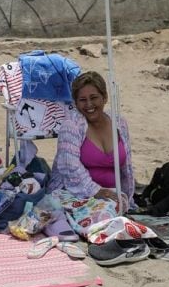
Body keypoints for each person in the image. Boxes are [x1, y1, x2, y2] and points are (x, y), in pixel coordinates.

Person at [50, 71, 135, 211]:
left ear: (105, 97)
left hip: (114, 198)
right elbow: (69, 166)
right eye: (82, 100)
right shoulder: (71, 126)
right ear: (76, 103)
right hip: (75, 197)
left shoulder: (119, 123)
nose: (89, 105)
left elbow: (127, 169)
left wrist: (126, 197)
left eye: (94, 98)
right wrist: (97, 191)